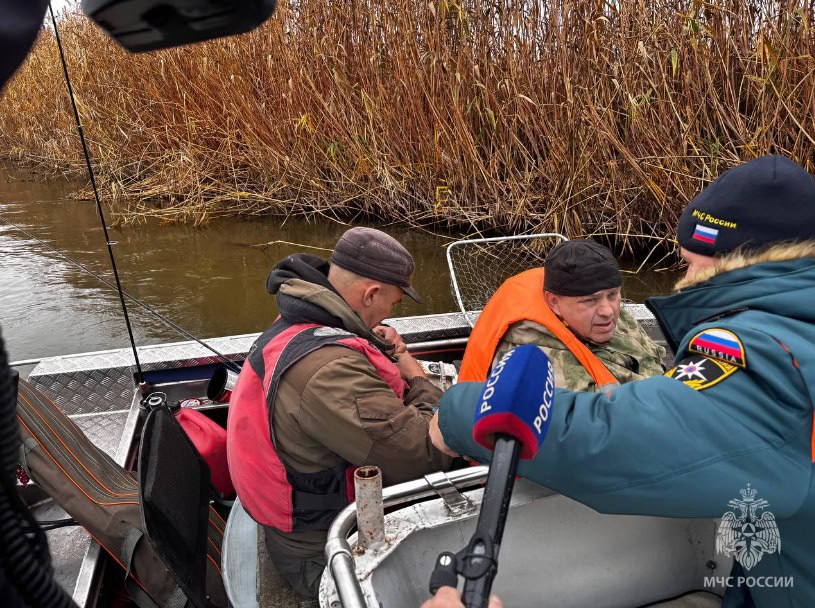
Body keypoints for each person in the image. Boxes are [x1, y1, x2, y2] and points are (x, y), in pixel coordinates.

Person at [432, 154, 815, 608]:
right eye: (591, 300)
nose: (686, 278)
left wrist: (455, 412)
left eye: (693, 263)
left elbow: (620, 442)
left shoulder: (769, 350)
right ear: (554, 303)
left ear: (738, 260)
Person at [227, 227, 454, 603]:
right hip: (321, 552)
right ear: (371, 294)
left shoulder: (302, 321)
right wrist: (415, 374)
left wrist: (379, 346)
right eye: (393, 303)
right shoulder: (329, 369)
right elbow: (422, 456)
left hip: (310, 524)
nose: (390, 312)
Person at [458, 239, 666, 391]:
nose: (608, 311)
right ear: (554, 302)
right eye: (590, 300)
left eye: (612, 295)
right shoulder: (540, 367)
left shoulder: (612, 318)